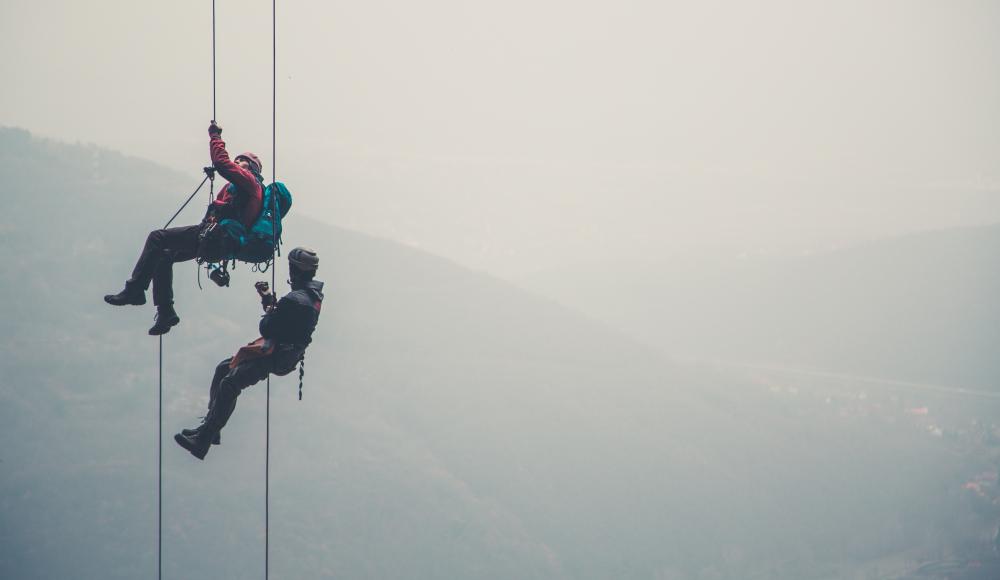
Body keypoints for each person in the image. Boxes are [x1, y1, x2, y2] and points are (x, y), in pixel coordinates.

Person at [104, 121, 264, 335]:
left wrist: (215, 136)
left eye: (241, 162)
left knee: (157, 238)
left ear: (250, 168)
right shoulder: (241, 189)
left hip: (216, 237)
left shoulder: (250, 182)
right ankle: (166, 312)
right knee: (163, 255)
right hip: (216, 240)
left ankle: (134, 290)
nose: (237, 164)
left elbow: (222, 162)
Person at [174, 247, 324, 460]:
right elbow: (285, 323)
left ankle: (203, 440)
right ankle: (210, 429)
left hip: (277, 356)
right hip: (286, 355)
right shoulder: (312, 297)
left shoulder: (295, 299)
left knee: (230, 383)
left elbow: (267, 327)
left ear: (294, 270)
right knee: (224, 368)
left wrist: (271, 308)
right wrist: (271, 303)